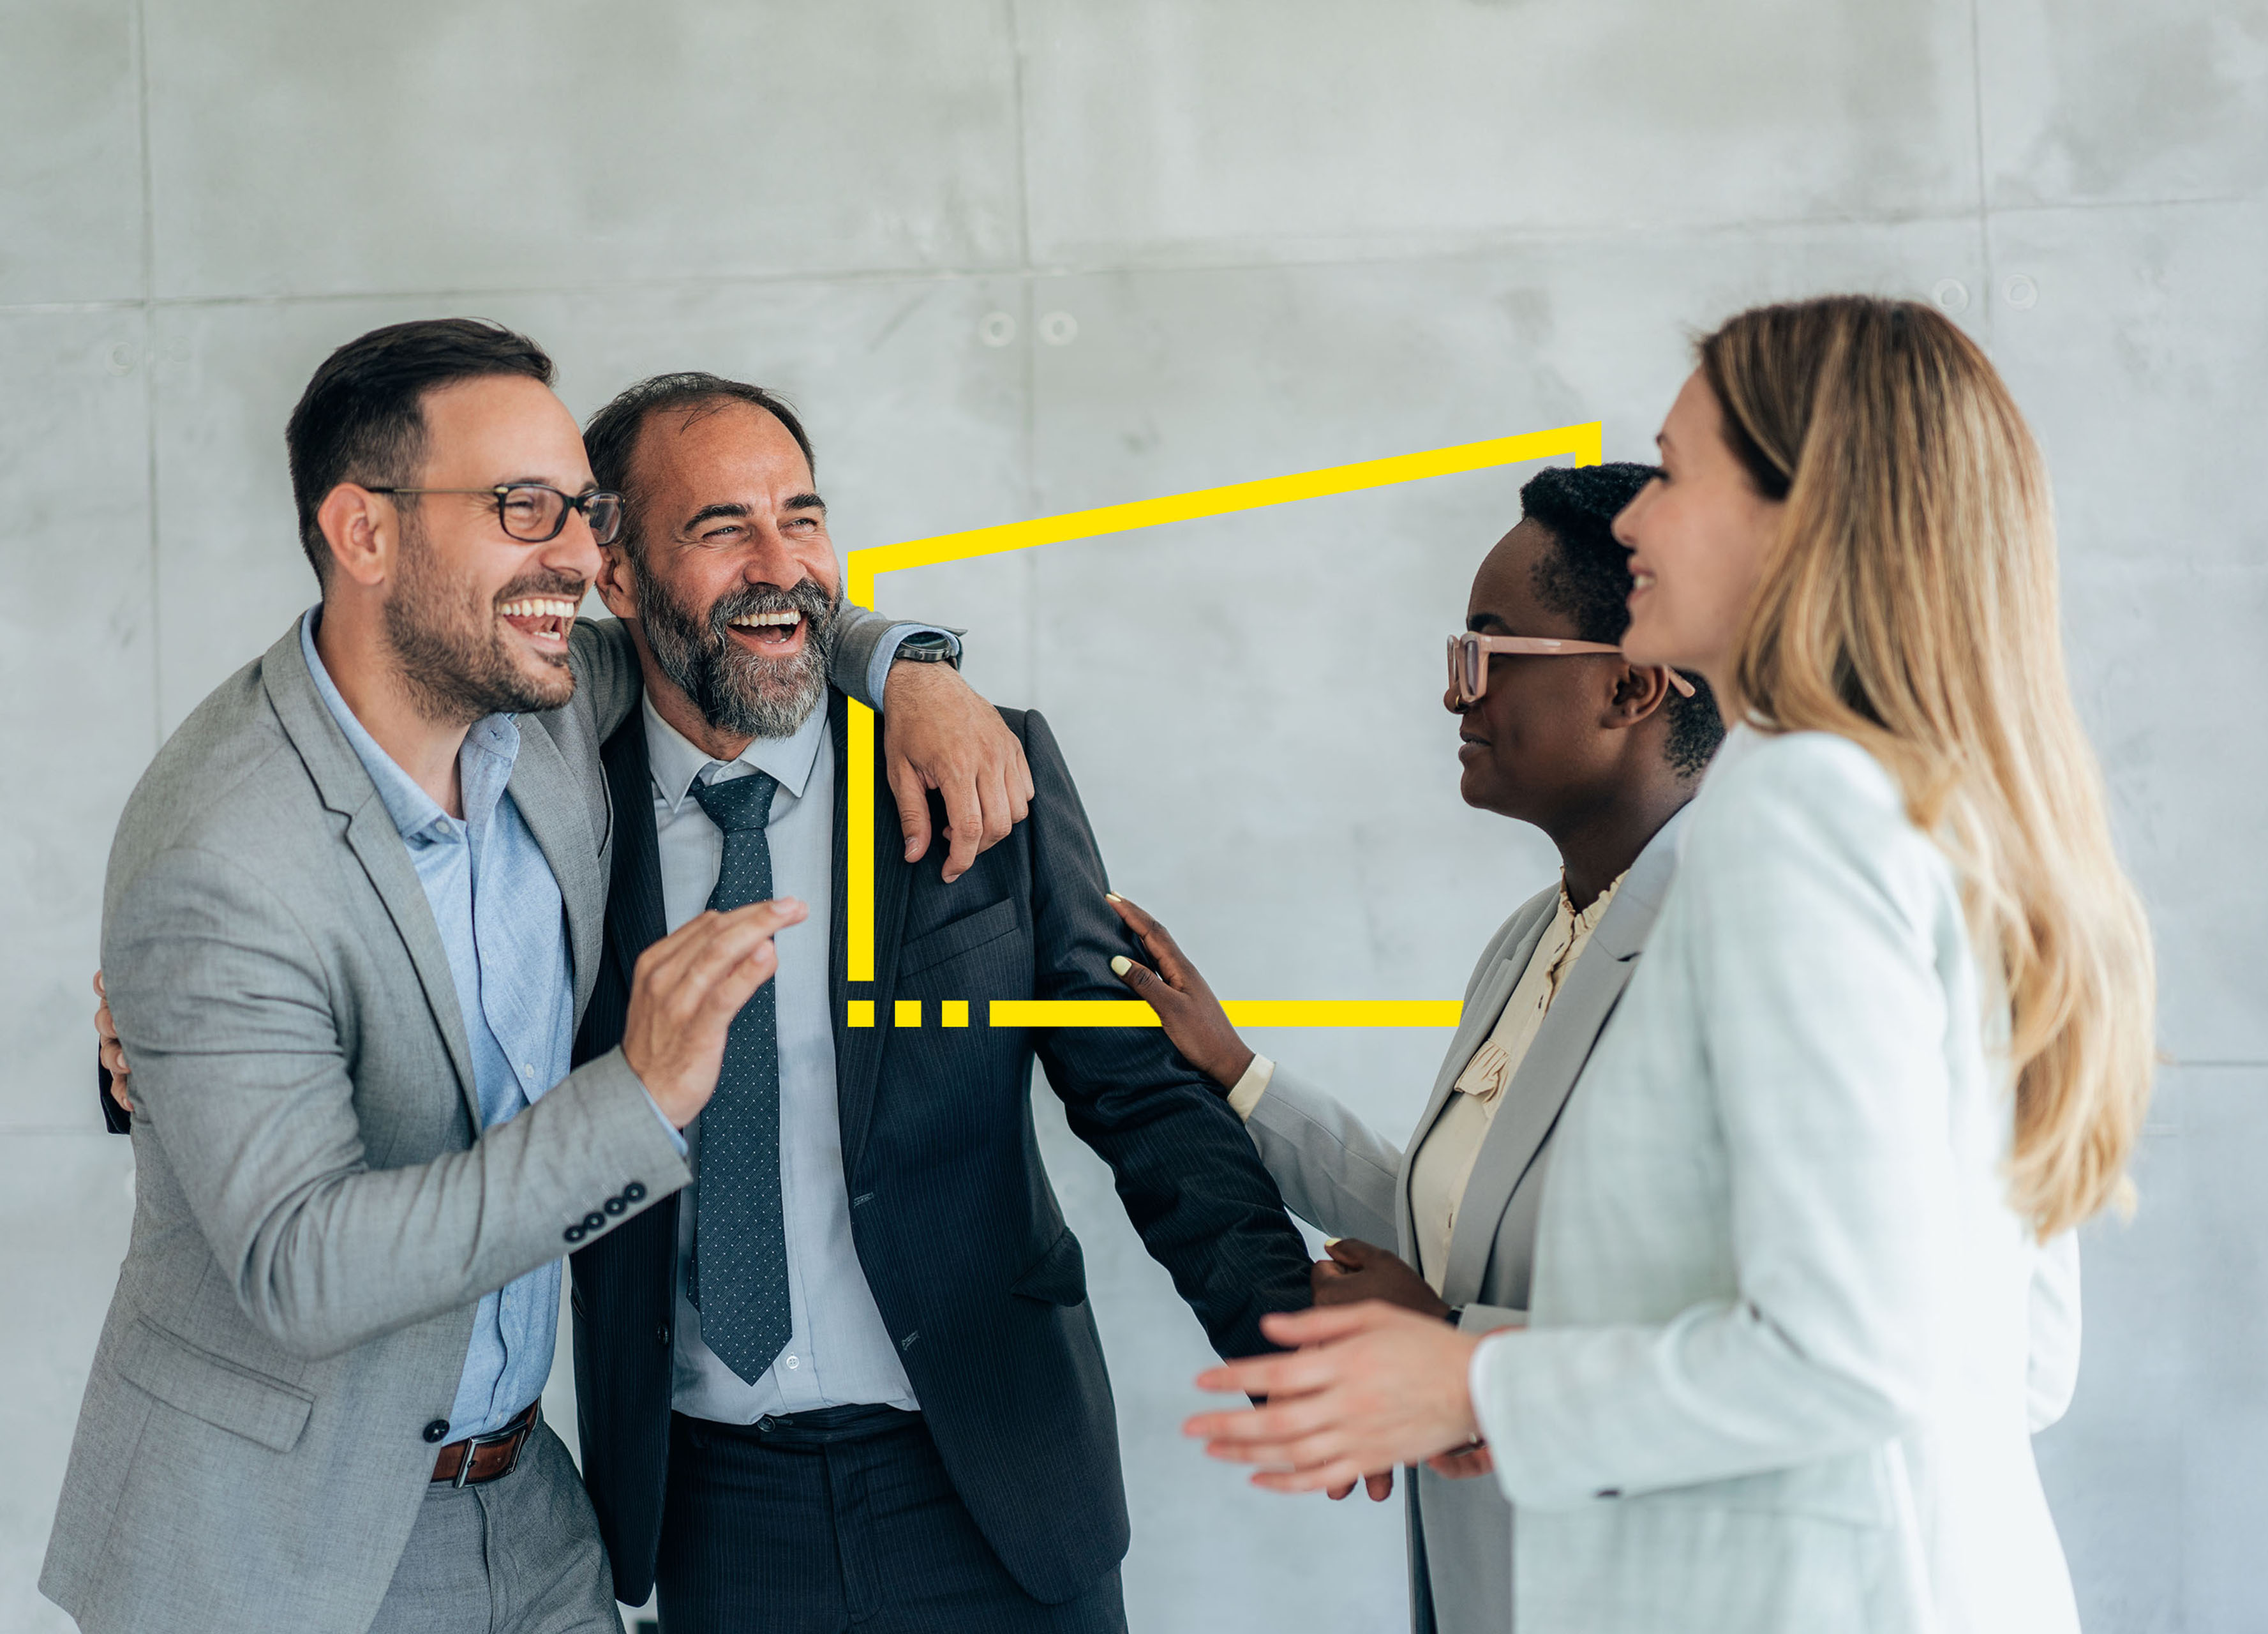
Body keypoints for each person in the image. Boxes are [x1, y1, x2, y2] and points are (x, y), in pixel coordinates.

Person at [1182, 296, 2154, 1634]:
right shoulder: (1937, 820)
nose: (1636, 516)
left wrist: (1469, 1379)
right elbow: (2013, 1364)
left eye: (1680, 471)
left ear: (1803, 520)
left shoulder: (1799, 816)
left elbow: (1850, 1352)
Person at [48, 319, 1024, 1634]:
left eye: (585, 510)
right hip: (280, 1553)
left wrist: (912, 669)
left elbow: (733, 617)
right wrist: (643, 1096)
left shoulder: (545, 699)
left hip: (530, 1504)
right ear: (365, 531)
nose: (577, 553)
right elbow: (303, 1267)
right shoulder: (222, 851)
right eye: (525, 508)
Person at [562, 372, 1318, 1633]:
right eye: (720, 528)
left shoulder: (980, 762)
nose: (782, 565)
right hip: (707, 1509)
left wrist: (1291, 1337)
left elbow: (1133, 1085)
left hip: (994, 1483)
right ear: (618, 572)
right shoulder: (552, 819)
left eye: (802, 517)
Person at [1106, 461, 1724, 1634]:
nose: (1458, 697)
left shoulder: (1740, 948)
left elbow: (1764, 1342)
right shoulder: (1528, 939)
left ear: (1632, 685)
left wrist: (1444, 1348)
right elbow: (1456, 1222)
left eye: (1486, 652)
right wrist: (1239, 1077)